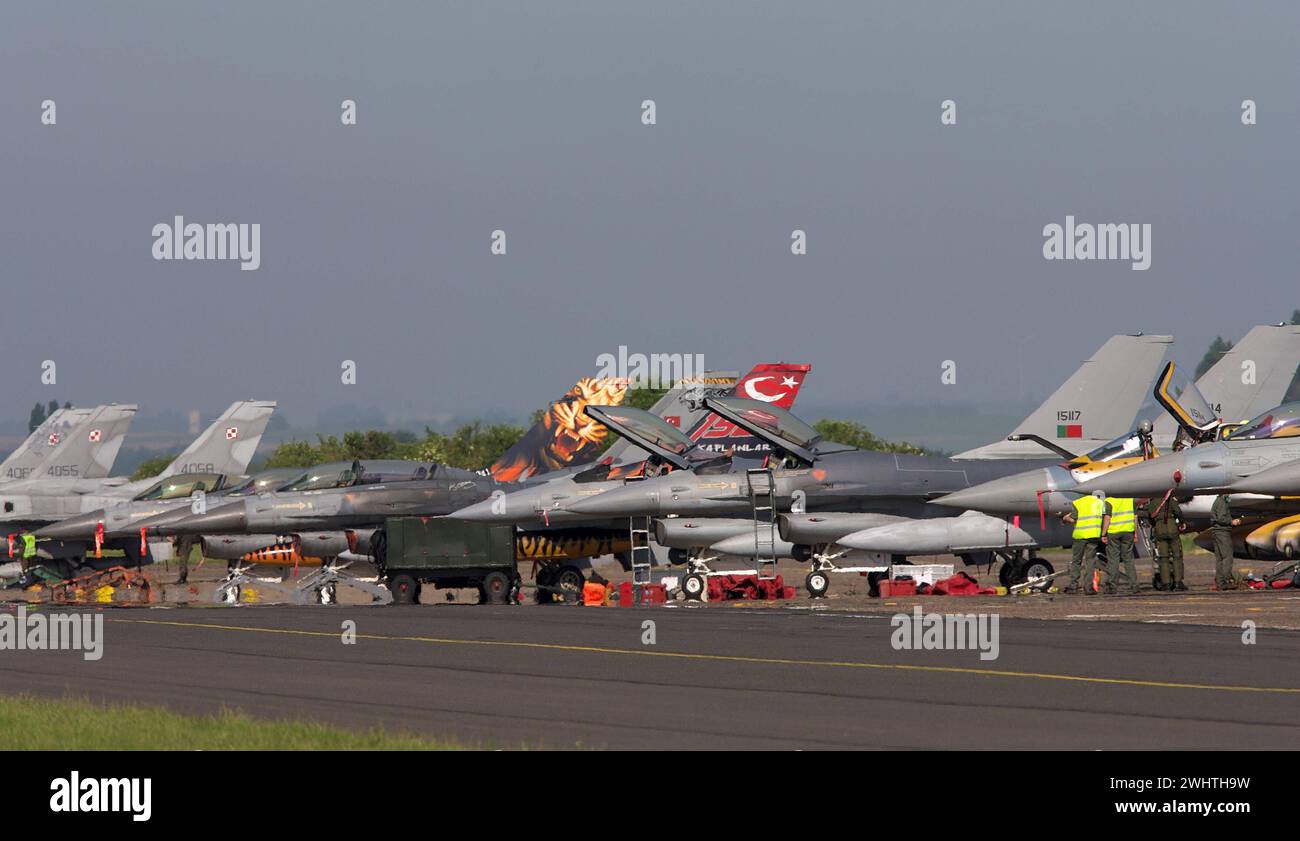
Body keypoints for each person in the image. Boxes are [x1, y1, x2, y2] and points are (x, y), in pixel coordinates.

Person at [1061, 491, 1106, 594]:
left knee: (1076, 561)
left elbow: (1073, 519)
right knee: (1090, 562)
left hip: (1080, 536)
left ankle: (1073, 586)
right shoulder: (1099, 502)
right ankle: (1088, 587)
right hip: (1094, 535)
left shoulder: (1078, 502)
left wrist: (1064, 518)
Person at [1145, 494, 1186, 591]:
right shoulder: (1169, 500)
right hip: (1171, 527)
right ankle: (1178, 582)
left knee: (1163, 558)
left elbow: (1150, 516)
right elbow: (1178, 511)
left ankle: (1166, 583)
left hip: (1159, 529)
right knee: (1177, 556)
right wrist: (1182, 522)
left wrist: (1156, 524)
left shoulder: (1153, 502)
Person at [1104, 495, 1140, 594]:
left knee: (1113, 559)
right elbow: (1135, 517)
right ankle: (1134, 585)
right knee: (1128, 559)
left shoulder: (1109, 501)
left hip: (1113, 532)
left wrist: (1103, 533)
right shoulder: (1130, 499)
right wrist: (1135, 533)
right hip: (1128, 531)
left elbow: (1107, 518)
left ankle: (1112, 586)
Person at [1210, 493, 1241, 590]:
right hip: (1222, 532)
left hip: (1217, 532)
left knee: (1220, 559)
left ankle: (1220, 583)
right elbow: (1221, 518)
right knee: (1227, 556)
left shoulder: (1218, 500)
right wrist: (1232, 522)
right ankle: (1226, 580)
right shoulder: (1222, 502)